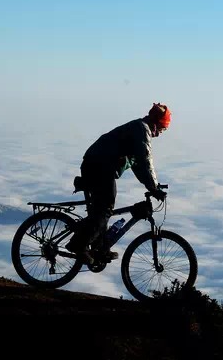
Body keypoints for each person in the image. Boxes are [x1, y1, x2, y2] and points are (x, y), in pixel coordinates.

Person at [65, 102, 170, 263]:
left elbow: (137, 165)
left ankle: (100, 249)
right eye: (163, 128)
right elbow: (145, 160)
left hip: (97, 164)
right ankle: (79, 245)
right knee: (105, 208)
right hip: (99, 167)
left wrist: (152, 186)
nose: (161, 133)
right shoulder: (142, 130)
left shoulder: (139, 128)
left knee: (103, 210)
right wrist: (153, 188)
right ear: (157, 123)